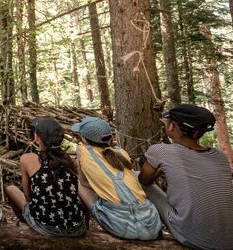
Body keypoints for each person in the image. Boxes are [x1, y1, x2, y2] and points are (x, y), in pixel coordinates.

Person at [139, 104, 233, 250]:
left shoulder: (161, 151)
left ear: (171, 127)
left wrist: (158, 169)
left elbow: (143, 180)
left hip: (194, 238)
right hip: (229, 240)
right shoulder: (220, 156)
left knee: (137, 178)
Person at [72, 116, 161, 240]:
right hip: (151, 224)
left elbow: (84, 182)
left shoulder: (82, 151)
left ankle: (84, 226)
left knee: (78, 183)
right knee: (133, 176)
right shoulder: (121, 153)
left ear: (84, 138)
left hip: (120, 225)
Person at [4, 117, 86, 237]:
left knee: (10, 189)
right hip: (76, 227)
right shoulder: (70, 161)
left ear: (37, 138)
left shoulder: (27, 159)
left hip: (47, 228)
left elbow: (28, 198)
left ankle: (30, 223)